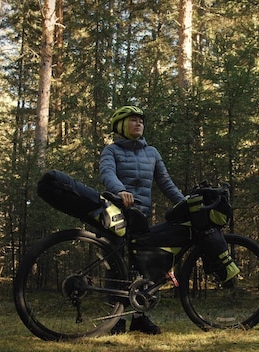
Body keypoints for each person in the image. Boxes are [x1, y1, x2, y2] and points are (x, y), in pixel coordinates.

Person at [100, 105, 239, 335]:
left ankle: (139, 317)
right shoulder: (111, 151)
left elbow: (166, 183)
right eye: (132, 120)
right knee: (116, 265)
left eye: (141, 121)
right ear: (120, 126)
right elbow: (107, 174)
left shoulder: (151, 153)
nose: (138, 124)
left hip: (139, 216)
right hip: (115, 211)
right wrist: (120, 190)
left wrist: (186, 204)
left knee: (146, 262)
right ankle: (115, 321)